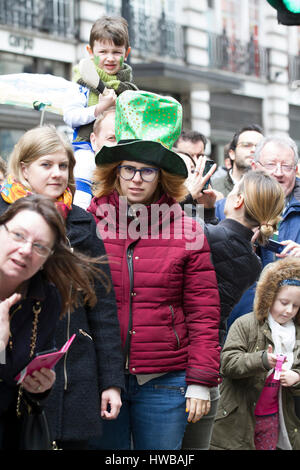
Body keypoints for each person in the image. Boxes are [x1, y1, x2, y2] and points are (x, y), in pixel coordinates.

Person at [88, 90, 221, 450]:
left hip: (165, 380)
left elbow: (203, 311)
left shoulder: (188, 228)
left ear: (161, 176)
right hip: (104, 376)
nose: (136, 178)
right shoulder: (91, 221)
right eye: (128, 168)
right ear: (114, 172)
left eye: (147, 170)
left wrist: (200, 380)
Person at [1, 125, 125, 450]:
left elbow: (103, 307)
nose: (57, 174)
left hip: (72, 372)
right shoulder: (5, 219)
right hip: (10, 373)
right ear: (24, 167)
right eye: (46, 164)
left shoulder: (82, 222)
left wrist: (111, 382)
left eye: (63, 165)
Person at [179, 163, 285, 450]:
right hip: (207, 357)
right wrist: (211, 211)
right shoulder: (252, 261)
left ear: (237, 200)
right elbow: (220, 243)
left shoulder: (208, 236)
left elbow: (160, 224)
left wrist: (187, 195)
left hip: (179, 352)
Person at [0, 194, 110, 449]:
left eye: (40, 246)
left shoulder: (46, 297)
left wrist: (38, 388)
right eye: (18, 235)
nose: (26, 250)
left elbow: (19, 376)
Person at [210, 257, 300, 450]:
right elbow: (227, 363)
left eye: (295, 305)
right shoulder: (246, 324)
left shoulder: (298, 333)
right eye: (283, 302)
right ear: (269, 297)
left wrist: (297, 378)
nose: (288, 310)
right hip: (237, 420)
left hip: (276, 419)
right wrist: (261, 360)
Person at [63, 16, 138, 206]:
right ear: (90, 51)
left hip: (121, 150)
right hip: (87, 147)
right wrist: (99, 108)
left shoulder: (129, 88)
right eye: (103, 51)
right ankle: (82, 213)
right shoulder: (82, 85)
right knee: (85, 168)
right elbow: (70, 116)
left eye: (116, 52)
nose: (110, 58)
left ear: (126, 53)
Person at [73, 107, 116, 209]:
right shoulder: (85, 161)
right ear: (94, 141)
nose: (118, 145)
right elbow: (80, 210)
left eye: (124, 139)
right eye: (111, 138)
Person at [213, 124, 264, 197]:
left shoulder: (272, 189)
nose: (253, 150)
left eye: (259, 146)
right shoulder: (212, 186)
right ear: (232, 154)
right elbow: (196, 208)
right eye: (246, 145)